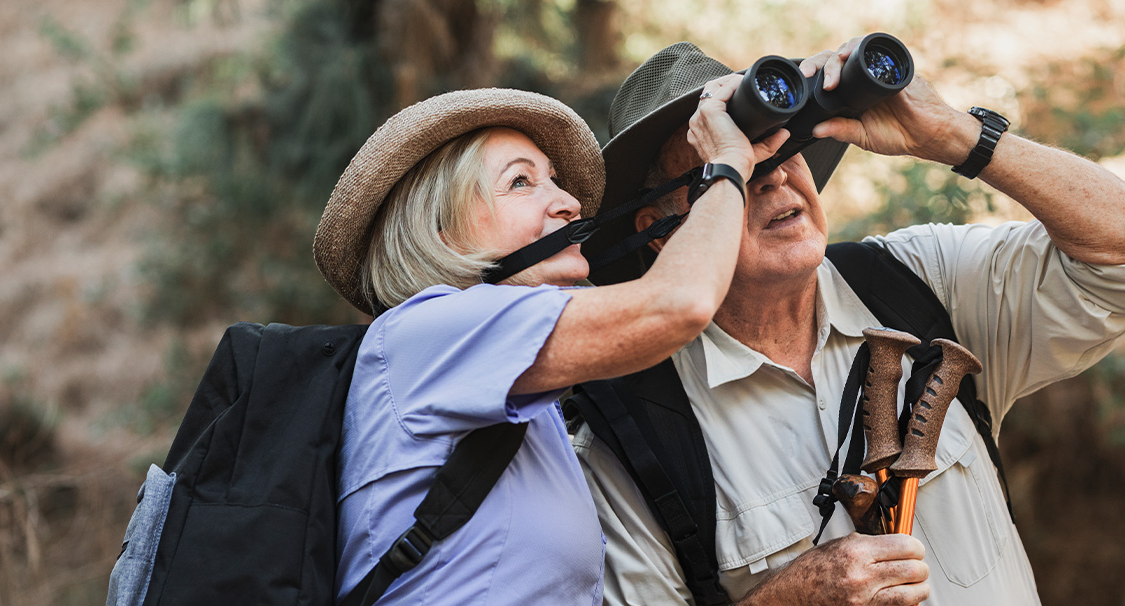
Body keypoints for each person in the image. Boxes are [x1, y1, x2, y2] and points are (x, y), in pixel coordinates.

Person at [572, 38, 1125, 605]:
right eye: (725, 167)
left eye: (781, 144)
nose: (773, 177)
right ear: (662, 233)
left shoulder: (916, 282)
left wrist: (956, 135)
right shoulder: (632, 435)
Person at [312, 85, 788, 604]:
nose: (569, 203)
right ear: (443, 231)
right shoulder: (432, 330)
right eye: (520, 182)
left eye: (555, 182)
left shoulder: (525, 390)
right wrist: (725, 167)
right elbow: (678, 304)